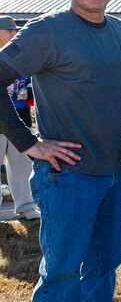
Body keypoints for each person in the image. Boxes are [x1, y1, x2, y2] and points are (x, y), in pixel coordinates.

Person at [0, 0, 121, 301]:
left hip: (115, 173)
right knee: (62, 272)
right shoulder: (47, 32)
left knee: (105, 264)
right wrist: (29, 143)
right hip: (68, 175)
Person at [0, 16, 39, 220]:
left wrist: (28, 93)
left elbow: (34, 88)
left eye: (15, 31)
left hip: (20, 123)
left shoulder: (22, 58)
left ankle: (25, 206)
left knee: (22, 167)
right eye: (9, 31)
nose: (13, 34)